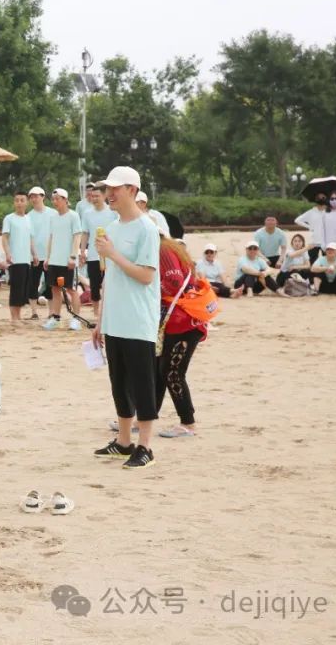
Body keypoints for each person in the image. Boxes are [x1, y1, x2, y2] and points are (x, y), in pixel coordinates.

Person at [91, 166, 160, 469]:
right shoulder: (112, 227)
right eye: (107, 188)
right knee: (118, 382)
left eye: (115, 189)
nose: (109, 194)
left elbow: (146, 275)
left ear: (132, 190)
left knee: (142, 383)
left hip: (138, 319)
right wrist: (100, 320)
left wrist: (114, 253)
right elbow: (109, 278)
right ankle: (123, 441)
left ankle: (145, 446)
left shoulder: (147, 228)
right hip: (114, 319)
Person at [156, 235, 208, 438]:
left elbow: (174, 281)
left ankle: (188, 423)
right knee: (159, 368)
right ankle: (146, 416)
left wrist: (151, 288)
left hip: (182, 321)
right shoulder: (170, 248)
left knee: (172, 371)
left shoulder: (162, 250)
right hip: (182, 319)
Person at [43, 188, 83, 331]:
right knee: (55, 289)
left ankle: (76, 319)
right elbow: (51, 237)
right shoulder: (53, 217)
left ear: (65, 200)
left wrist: (73, 256)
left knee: (71, 289)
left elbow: (77, 236)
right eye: (53, 199)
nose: (55, 202)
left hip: (68, 261)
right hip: (55, 260)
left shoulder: (73, 216)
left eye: (57, 199)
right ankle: (55, 318)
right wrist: (48, 258)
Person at [80, 185, 118, 318]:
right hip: (93, 254)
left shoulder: (112, 212)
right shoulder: (87, 213)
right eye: (92, 196)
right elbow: (85, 233)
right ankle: (96, 312)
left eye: (97, 196)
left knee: (109, 284)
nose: (94, 198)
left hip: (110, 255)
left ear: (104, 196)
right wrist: (82, 251)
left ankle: (108, 311)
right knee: (94, 284)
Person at [2, 191, 37, 321]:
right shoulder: (9, 218)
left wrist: (34, 254)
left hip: (26, 259)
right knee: (16, 288)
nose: (19, 203)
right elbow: (5, 238)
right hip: (15, 259)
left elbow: (31, 238)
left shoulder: (29, 219)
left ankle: (18, 315)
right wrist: (8, 253)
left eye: (22, 200)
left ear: (27, 202)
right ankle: (14, 317)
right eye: (17, 200)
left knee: (23, 289)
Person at [26, 186, 53, 307]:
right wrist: (33, 254)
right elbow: (28, 237)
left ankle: (52, 312)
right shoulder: (28, 216)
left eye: (36, 196)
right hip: (34, 256)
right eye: (31, 197)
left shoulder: (53, 213)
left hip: (50, 255)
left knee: (50, 284)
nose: (34, 199)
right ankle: (33, 312)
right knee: (33, 283)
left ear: (43, 197)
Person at [295, 194, 328, 263]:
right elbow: (297, 220)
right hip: (314, 240)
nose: (321, 199)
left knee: (327, 261)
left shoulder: (328, 212)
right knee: (312, 261)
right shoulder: (311, 212)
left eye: (323, 197)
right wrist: (309, 227)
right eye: (319, 198)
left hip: (326, 241)